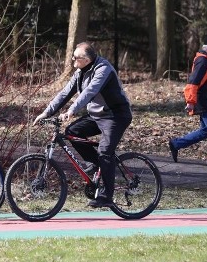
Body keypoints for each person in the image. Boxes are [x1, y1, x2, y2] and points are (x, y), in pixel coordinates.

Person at [33, 41, 133, 208]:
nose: (72, 61)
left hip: (116, 115)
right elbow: (65, 92)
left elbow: (89, 92)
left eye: (75, 58)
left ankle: (107, 196)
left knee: (104, 151)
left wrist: (72, 110)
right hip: (96, 115)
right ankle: (96, 164)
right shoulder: (80, 71)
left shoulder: (103, 69)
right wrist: (46, 112)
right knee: (73, 131)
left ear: (86, 60)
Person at [168, 36, 207, 170]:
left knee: (205, 131)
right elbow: (193, 83)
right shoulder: (203, 62)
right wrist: (190, 101)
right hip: (205, 103)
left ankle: (176, 144)